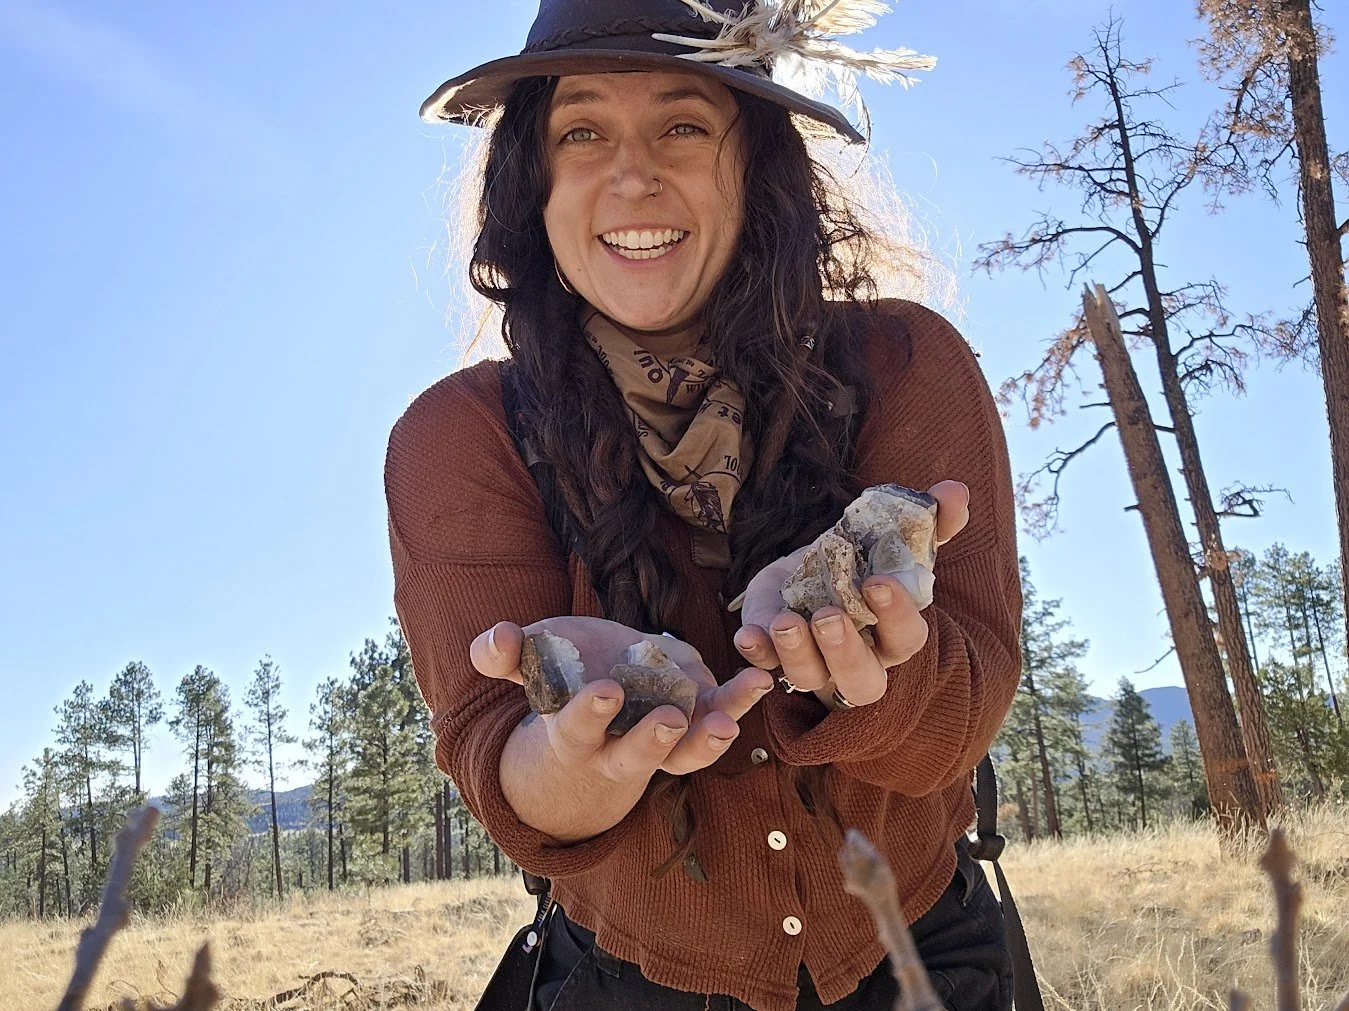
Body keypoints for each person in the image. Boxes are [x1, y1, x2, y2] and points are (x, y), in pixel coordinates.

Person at [384, 1, 1023, 1008]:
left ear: (754, 166)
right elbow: (488, 747)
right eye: (581, 131)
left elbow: (970, 703)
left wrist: (873, 673)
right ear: (532, 184)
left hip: (928, 960)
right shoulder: (456, 439)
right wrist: (574, 759)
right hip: (625, 979)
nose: (632, 175)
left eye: (682, 125)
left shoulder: (906, 364)